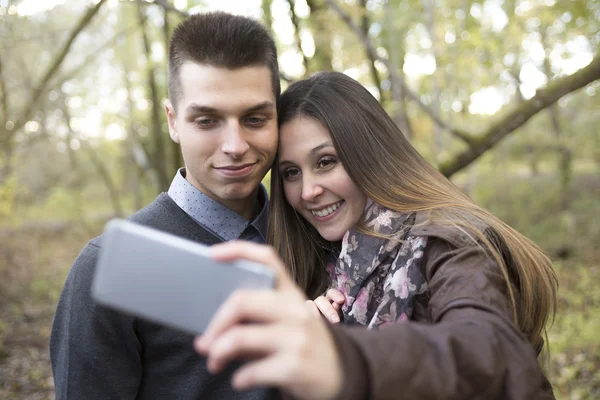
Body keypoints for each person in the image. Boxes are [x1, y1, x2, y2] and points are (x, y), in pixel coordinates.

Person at [194, 72, 558, 399]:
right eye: (291, 172)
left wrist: (339, 356)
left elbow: (485, 350)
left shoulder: (451, 241)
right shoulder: (322, 267)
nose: (308, 191)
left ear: (369, 155)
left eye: (325, 162)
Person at [50, 12, 281, 400]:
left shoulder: (314, 236)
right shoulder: (111, 265)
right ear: (173, 122)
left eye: (255, 118)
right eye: (207, 121)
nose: (235, 145)